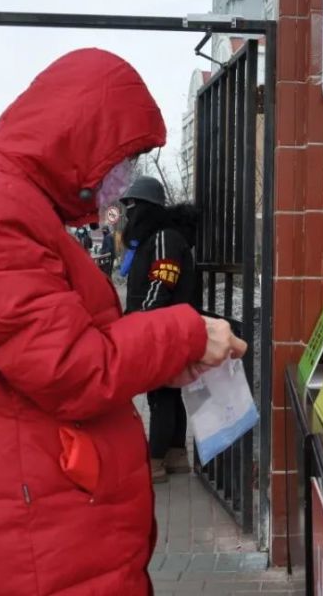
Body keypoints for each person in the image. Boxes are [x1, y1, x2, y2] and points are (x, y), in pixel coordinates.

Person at [0, 48, 246, 596]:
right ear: (84, 136)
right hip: (29, 539)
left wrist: (163, 358)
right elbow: (72, 367)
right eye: (123, 158)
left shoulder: (13, 205)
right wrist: (185, 332)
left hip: (42, 521)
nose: (123, 177)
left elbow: (58, 349)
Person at [118, 175, 201, 481]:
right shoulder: (159, 237)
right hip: (168, 324)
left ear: (147, 207)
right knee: (169, 391)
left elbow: (161, 284)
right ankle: (176, 453)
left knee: (160, 395)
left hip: (163, 326)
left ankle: (154, 460)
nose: (128, 212)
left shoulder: (165, 237)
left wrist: (139, 320)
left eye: (133, 205)